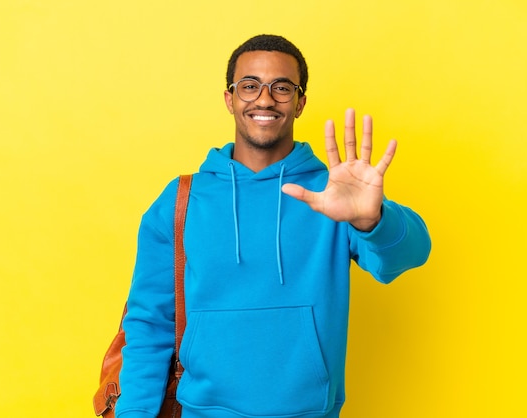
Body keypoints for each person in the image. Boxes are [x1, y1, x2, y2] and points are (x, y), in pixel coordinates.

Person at [115, 34, 431, 418]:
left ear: (300, 103)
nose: (264, 99)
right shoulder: (182, 200)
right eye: (249, 86)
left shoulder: (332, 192)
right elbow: (149, 324)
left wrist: (373, 218)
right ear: (230, 98)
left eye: (281, 88)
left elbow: (409, 255)